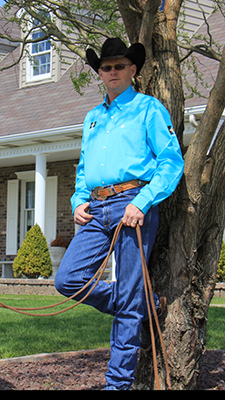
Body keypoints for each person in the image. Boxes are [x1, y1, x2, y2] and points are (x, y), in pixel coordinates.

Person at [55, 37, 184, 390]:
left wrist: (141, 203)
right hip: (96, 209)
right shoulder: (92, 118)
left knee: (127, 297)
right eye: (107, 67)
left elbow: (171, 163)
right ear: (100, 72)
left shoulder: (149, 109)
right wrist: (78, 200)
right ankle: (143, 304)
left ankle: (118, 384)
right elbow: (83, 169)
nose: (112, 71)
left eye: (120, 66)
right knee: (67, 280)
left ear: (133, 70)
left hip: (133, 207)